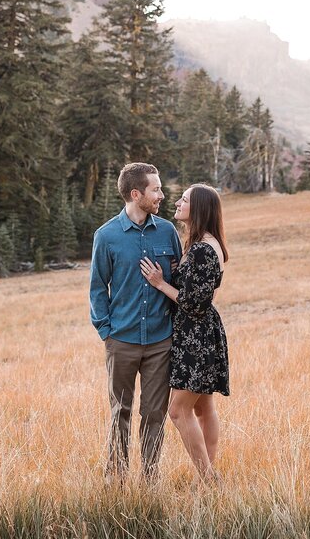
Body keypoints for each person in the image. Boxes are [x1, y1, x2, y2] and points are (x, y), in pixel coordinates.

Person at [89, 162, 183, 481]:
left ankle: (150, 477)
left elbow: (179, 281)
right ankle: (116, 477)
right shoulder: (107, 236)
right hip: (122, 341)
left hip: (160, 342)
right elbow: (98, 287)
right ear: (135, 193)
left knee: (154, 413)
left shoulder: (168, 232)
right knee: (121, 412)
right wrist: (106, 332)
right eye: (155, 189)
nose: (161, 195)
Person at [139, 183, 229, 482]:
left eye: (184, 200)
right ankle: (209, 474)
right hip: (196, 334)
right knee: (203, 406)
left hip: (198, 338)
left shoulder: (204, 249)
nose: (176, 202)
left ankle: (207, 477)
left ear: (199, 208)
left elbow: (195, 302)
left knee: (178, 411)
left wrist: (160, 282)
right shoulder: (200, 243)